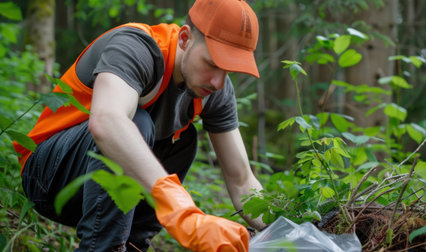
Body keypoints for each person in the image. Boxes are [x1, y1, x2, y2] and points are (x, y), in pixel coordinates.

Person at [14, 0, 265, 251]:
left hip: (100, 191)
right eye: (212, 63)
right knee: (134, 122)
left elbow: (242, 179)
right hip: (47, 176)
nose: (218, 82)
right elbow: (108, 121)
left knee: (185, 141)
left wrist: (289, 228)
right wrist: (182, 210)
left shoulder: (214, 89)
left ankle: (132, 243)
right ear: (185, 39)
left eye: (228, 70)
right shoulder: (137, 47)